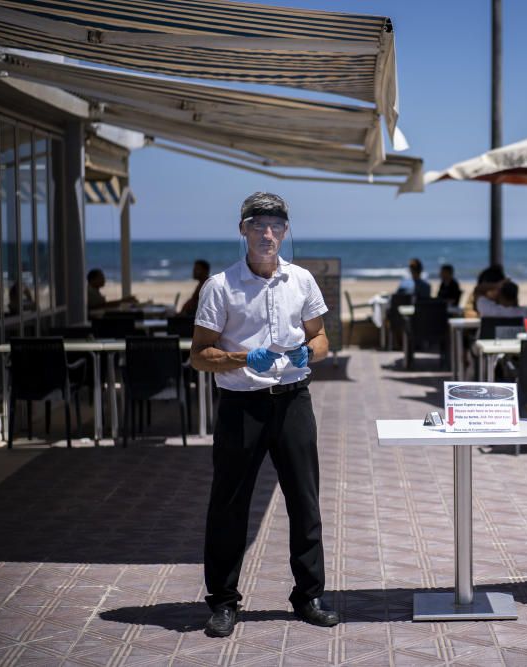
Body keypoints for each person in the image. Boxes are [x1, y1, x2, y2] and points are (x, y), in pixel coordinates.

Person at [191, 192, 338, 637]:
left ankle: (308, 595)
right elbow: (199, 355)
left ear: (286, 231)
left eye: (276, 225)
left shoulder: (302, 281)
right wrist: (239, 359)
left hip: (293, 401)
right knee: (230, 505)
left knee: (304, 500)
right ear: (243, 230)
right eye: (258, 224)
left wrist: (307, 352)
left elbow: (323, 340)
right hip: (242, 406)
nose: (268, 233)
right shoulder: (220, 286)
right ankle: (222, 601)